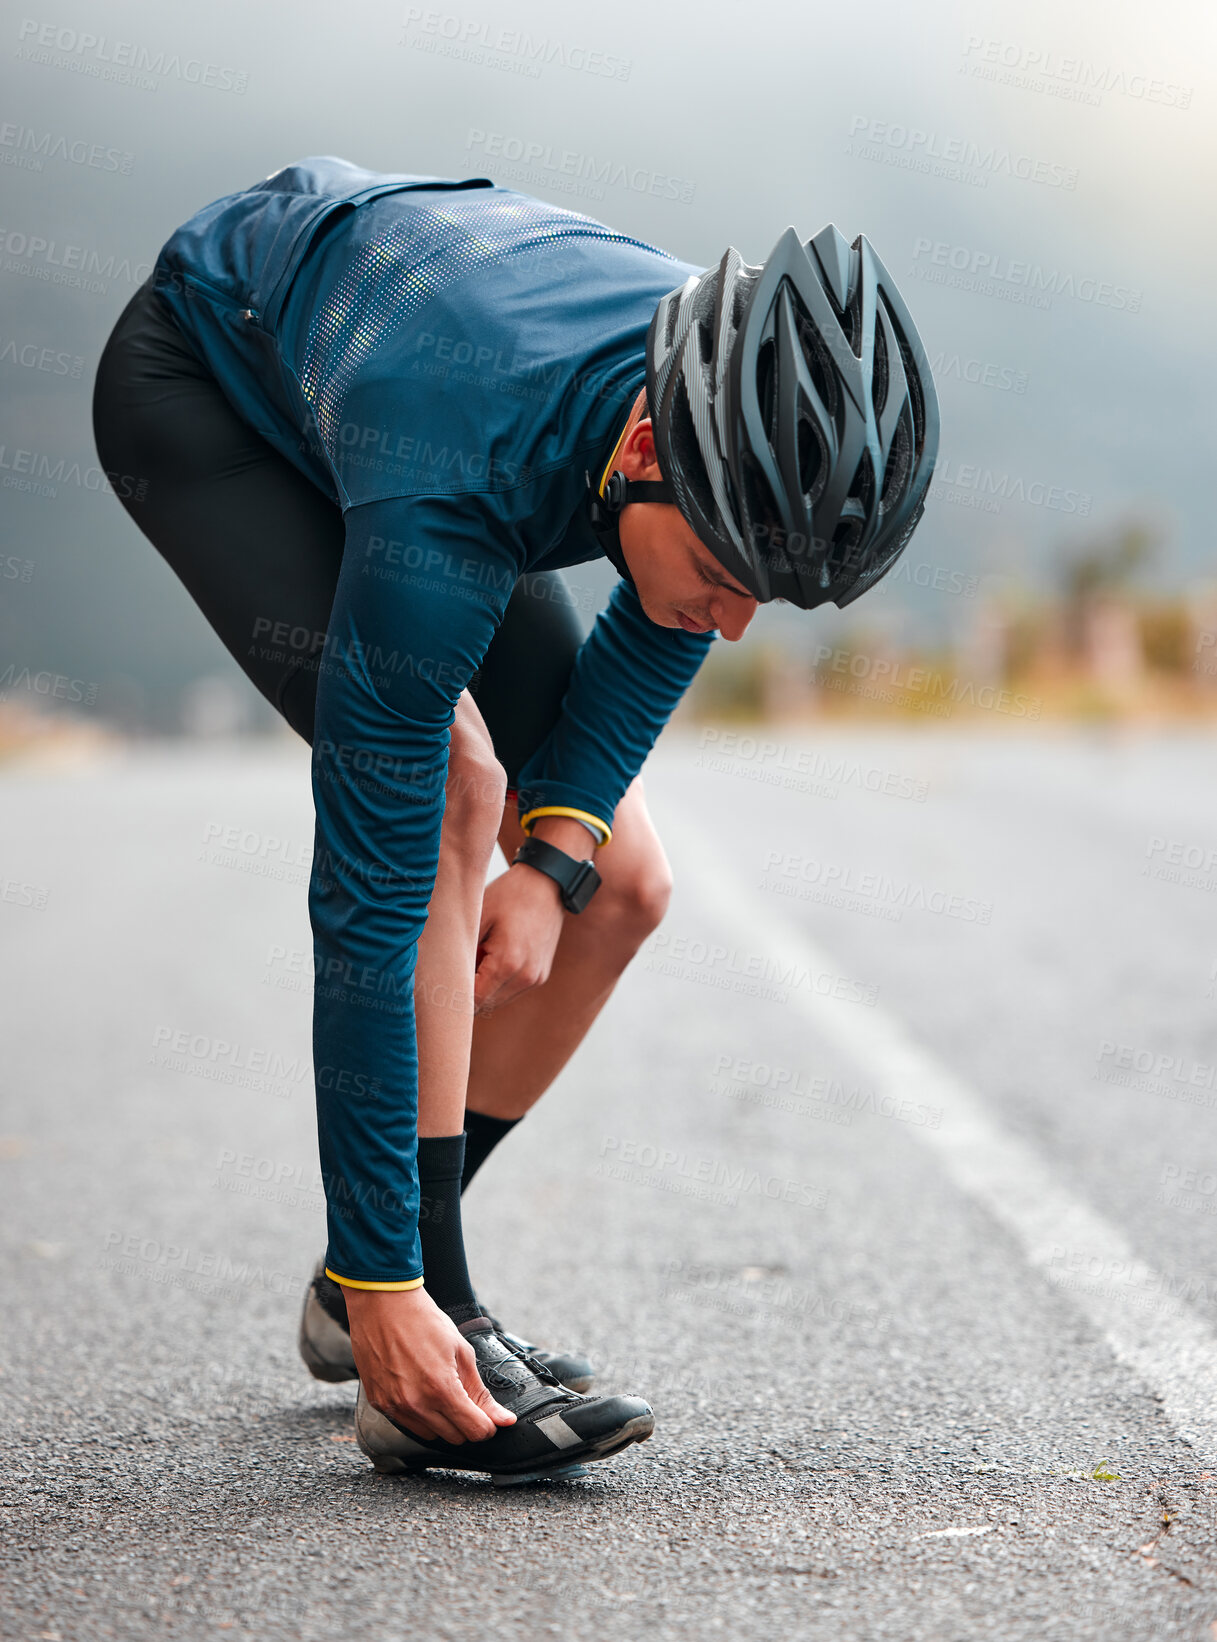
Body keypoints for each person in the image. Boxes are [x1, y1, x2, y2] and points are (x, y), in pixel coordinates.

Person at [92, 155, 938, 1485]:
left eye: (760, 598)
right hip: (213, 395)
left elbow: (665, 619)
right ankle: (405, 1315)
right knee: (447, 799)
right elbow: (366, 899)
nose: (728, 621)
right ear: (649, 446)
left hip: (424, 392)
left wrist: (552, 867)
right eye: (724, 576)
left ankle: (363, 1286)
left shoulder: (714, 413)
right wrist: (394, 1280)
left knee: (623, 881)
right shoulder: (475, 446)